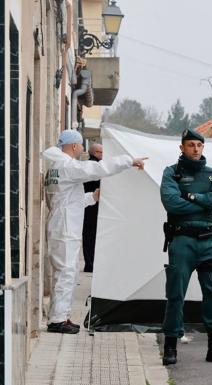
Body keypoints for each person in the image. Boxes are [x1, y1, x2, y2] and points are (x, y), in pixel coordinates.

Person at [43, 130, 147, 334]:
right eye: (81, 145)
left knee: (66, 274)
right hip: (65, 227)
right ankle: (57, 320)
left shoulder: (54, 168)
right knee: (65, 274)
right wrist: (128, 160)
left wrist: (93, 197)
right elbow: (96, 168)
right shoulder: (67, 165)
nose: (83, 149)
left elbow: (67, 200)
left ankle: (60, 316)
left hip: (61, 224)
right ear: (74, 146)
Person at [160, 128, 212, 365]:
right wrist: (204, 203)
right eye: (190, 144)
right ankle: (171, 346)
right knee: (176, 294)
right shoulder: (171, 173)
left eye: (199, 145)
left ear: (203, 147)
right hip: (182, 241)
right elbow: (172, 204)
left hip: (208, 242)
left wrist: (192, 197)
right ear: (181, 148)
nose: (195, 149)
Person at [82, 143, 103, 273]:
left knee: (88, 235)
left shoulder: (87, 165)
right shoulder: (96, 167)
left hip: (88, 204)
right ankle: (91, 264)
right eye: (101, 152)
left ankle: (89, 263)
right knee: (91, 235)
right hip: (92, 203)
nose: (104, 155)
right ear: (96, 153)